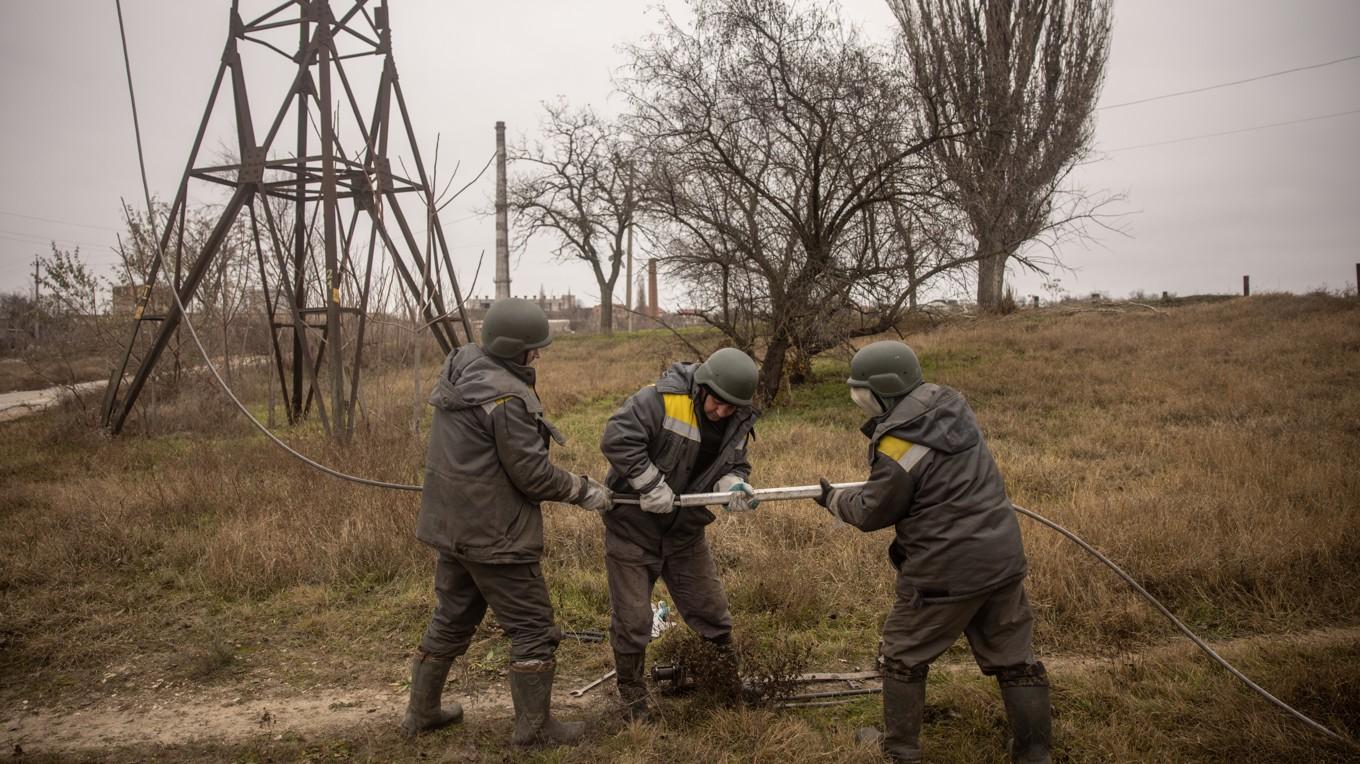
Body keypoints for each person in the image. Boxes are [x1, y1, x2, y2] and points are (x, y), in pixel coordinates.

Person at [814, 340, 1051, 764]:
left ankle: (899, 751)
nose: (861, 404)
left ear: (885, 390)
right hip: (1000, 557)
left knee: (903, 653)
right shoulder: (951, 408)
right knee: (1015, 658)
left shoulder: (899, 442)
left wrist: (834, 500)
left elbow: (872, 511)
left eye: (863, 395)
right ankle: (1034, 753)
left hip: (945, 572)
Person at [402, 298, 613, 748]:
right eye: (533, 348)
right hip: (495, 534)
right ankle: (535, 731)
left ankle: (421, 713)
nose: (537, 355)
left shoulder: (463, 371)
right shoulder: (506, 397)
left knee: (452, 617)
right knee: (533, 628)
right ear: (513, 348)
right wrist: (583, 490)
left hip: (453, 527)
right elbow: (533, 475)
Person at [599, 347, 762, 721]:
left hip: (685, 532)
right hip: (632, 529)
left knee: (712, 611)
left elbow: (736, 463)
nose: (722, 412)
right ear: (703, 387)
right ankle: (633, 699)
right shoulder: (659, 400)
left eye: (731, 407)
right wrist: (649, 483)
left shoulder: (738, 420)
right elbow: (616, 439)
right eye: (717, 403)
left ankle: (726, 684)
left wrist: (732, 485)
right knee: (633, 620)